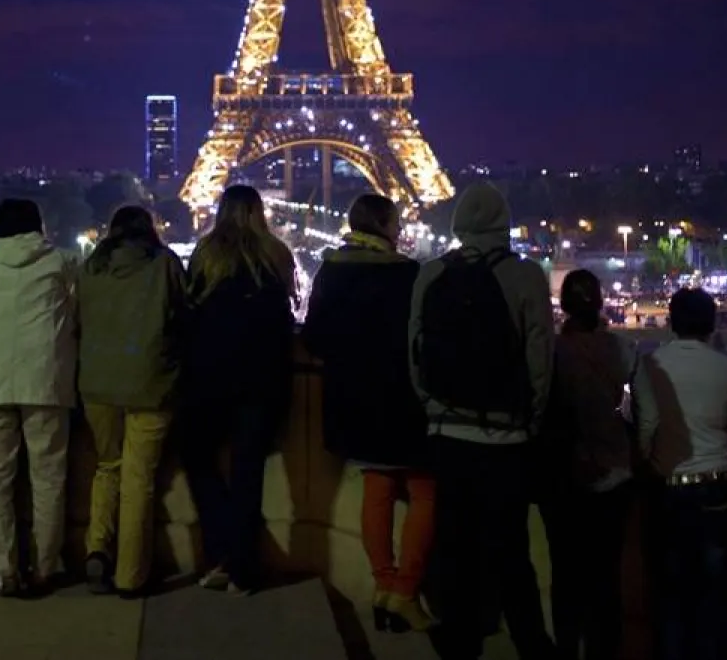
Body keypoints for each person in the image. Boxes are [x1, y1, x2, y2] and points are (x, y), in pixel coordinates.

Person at [408, 181, 555, 660]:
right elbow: (540, 360)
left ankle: (460, 640)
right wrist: (529, 420)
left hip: (448, 433)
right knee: (511, 548)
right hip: (506, 437)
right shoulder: (527, 276)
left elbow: (416, 356)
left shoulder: (431, 274)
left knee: (453, 543)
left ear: (458, 224)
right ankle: (531, 642)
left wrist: (435, 407)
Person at [304, 193, 431, 632]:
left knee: (376, 488)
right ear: (383, 225)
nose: (400, 230)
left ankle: (383, 585)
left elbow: (314, 337)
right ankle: (405, 592)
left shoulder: (331, 271)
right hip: (402, 397)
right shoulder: (409, 274)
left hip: (352, 400)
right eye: (395, 222)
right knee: (426, 490)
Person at [178, 184, 296, 597]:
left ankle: (224, 554)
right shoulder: (277, 255)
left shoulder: (205, 253)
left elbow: (190, 313)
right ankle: (242, 568)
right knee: (249, 474)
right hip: (262, 380)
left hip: (211, 376)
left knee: (196, 457)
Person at [632, 287, 727, 660]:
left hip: (668, 490)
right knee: (715, 598)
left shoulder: (649, 366)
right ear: (712, 323)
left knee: (671, 596)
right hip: (718, 492)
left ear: (671, 321)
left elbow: (631, 415)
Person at [77, 205, 187, 598]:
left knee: (107, 467)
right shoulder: (165, 264)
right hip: (149, 382)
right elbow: (183, 317)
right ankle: (130, 575)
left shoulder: (90, 267)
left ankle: (96, 548)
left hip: (96, 382)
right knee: (138, 479)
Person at [0, 198, 79, 596]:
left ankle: (6, 570)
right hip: (45, 378)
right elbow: (75, 311)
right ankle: (45, 567)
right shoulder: (64, 262)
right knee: (48, 478)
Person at [541, 270, 636, 660]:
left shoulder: (551, 352)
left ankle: (566, 648)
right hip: (614, 473)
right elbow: (630, 407)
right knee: (606, 576)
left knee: (565, 575)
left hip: (564, 475)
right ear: (599, 302)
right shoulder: (620, 349)